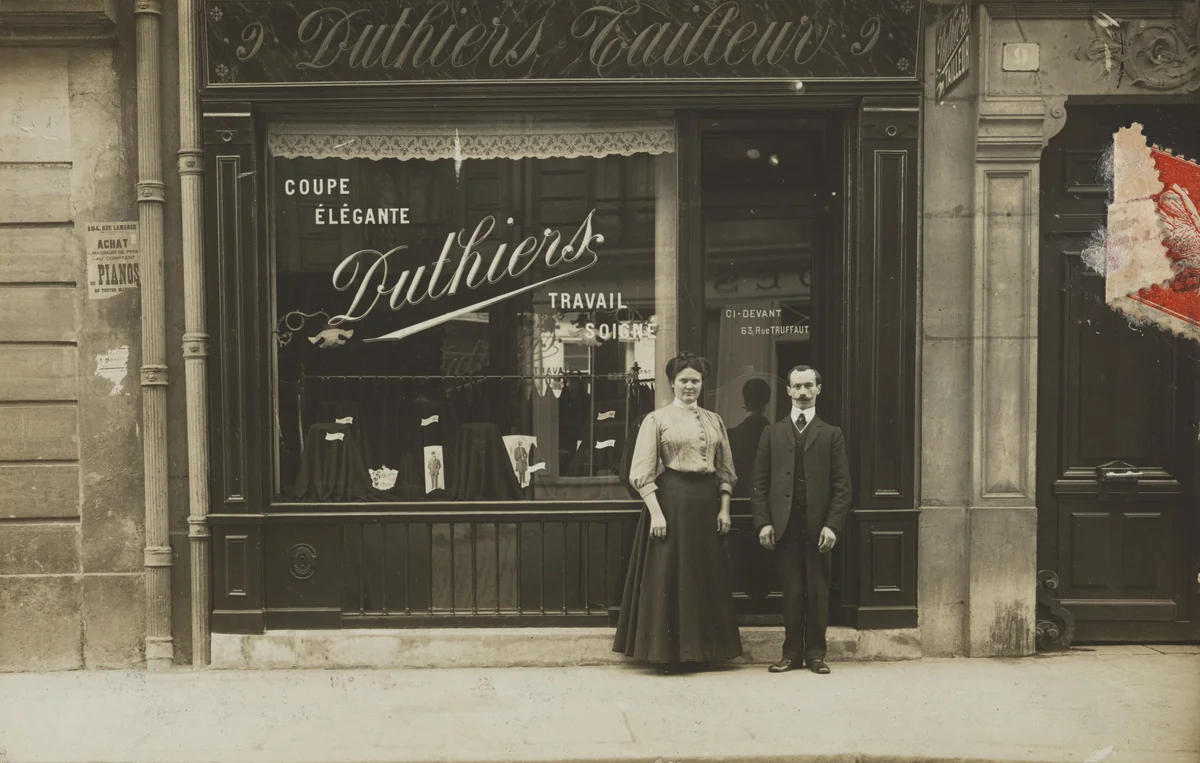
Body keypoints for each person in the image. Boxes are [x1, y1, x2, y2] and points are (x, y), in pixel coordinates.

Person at [613, 351, 743, 673]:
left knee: (703, 577)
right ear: (672, 383)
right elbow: (641, 471)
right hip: (671, 502)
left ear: (702, 383)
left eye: (695, 381)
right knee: (671, 577)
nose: (689, 386)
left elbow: (726, 469)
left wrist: (724, 509)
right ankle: (668, 655)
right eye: (683, 380)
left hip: (706, 503)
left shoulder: (714, 420)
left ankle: (704, 652)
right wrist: (657, 514)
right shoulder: (656, 419)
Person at [750, 365, 851, 674]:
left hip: (819, 526)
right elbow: (759, 482)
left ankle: (816, 655)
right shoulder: (772, 432)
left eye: (809, 386)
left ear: (818, 389)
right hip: (785, 525)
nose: (803, 392)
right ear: (788, 391)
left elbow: (842, 487)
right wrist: (764, 522)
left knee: (818, 591)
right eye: (797, 386)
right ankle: (791, 654)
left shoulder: (831, 434)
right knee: (791, 592)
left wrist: (832, 526)